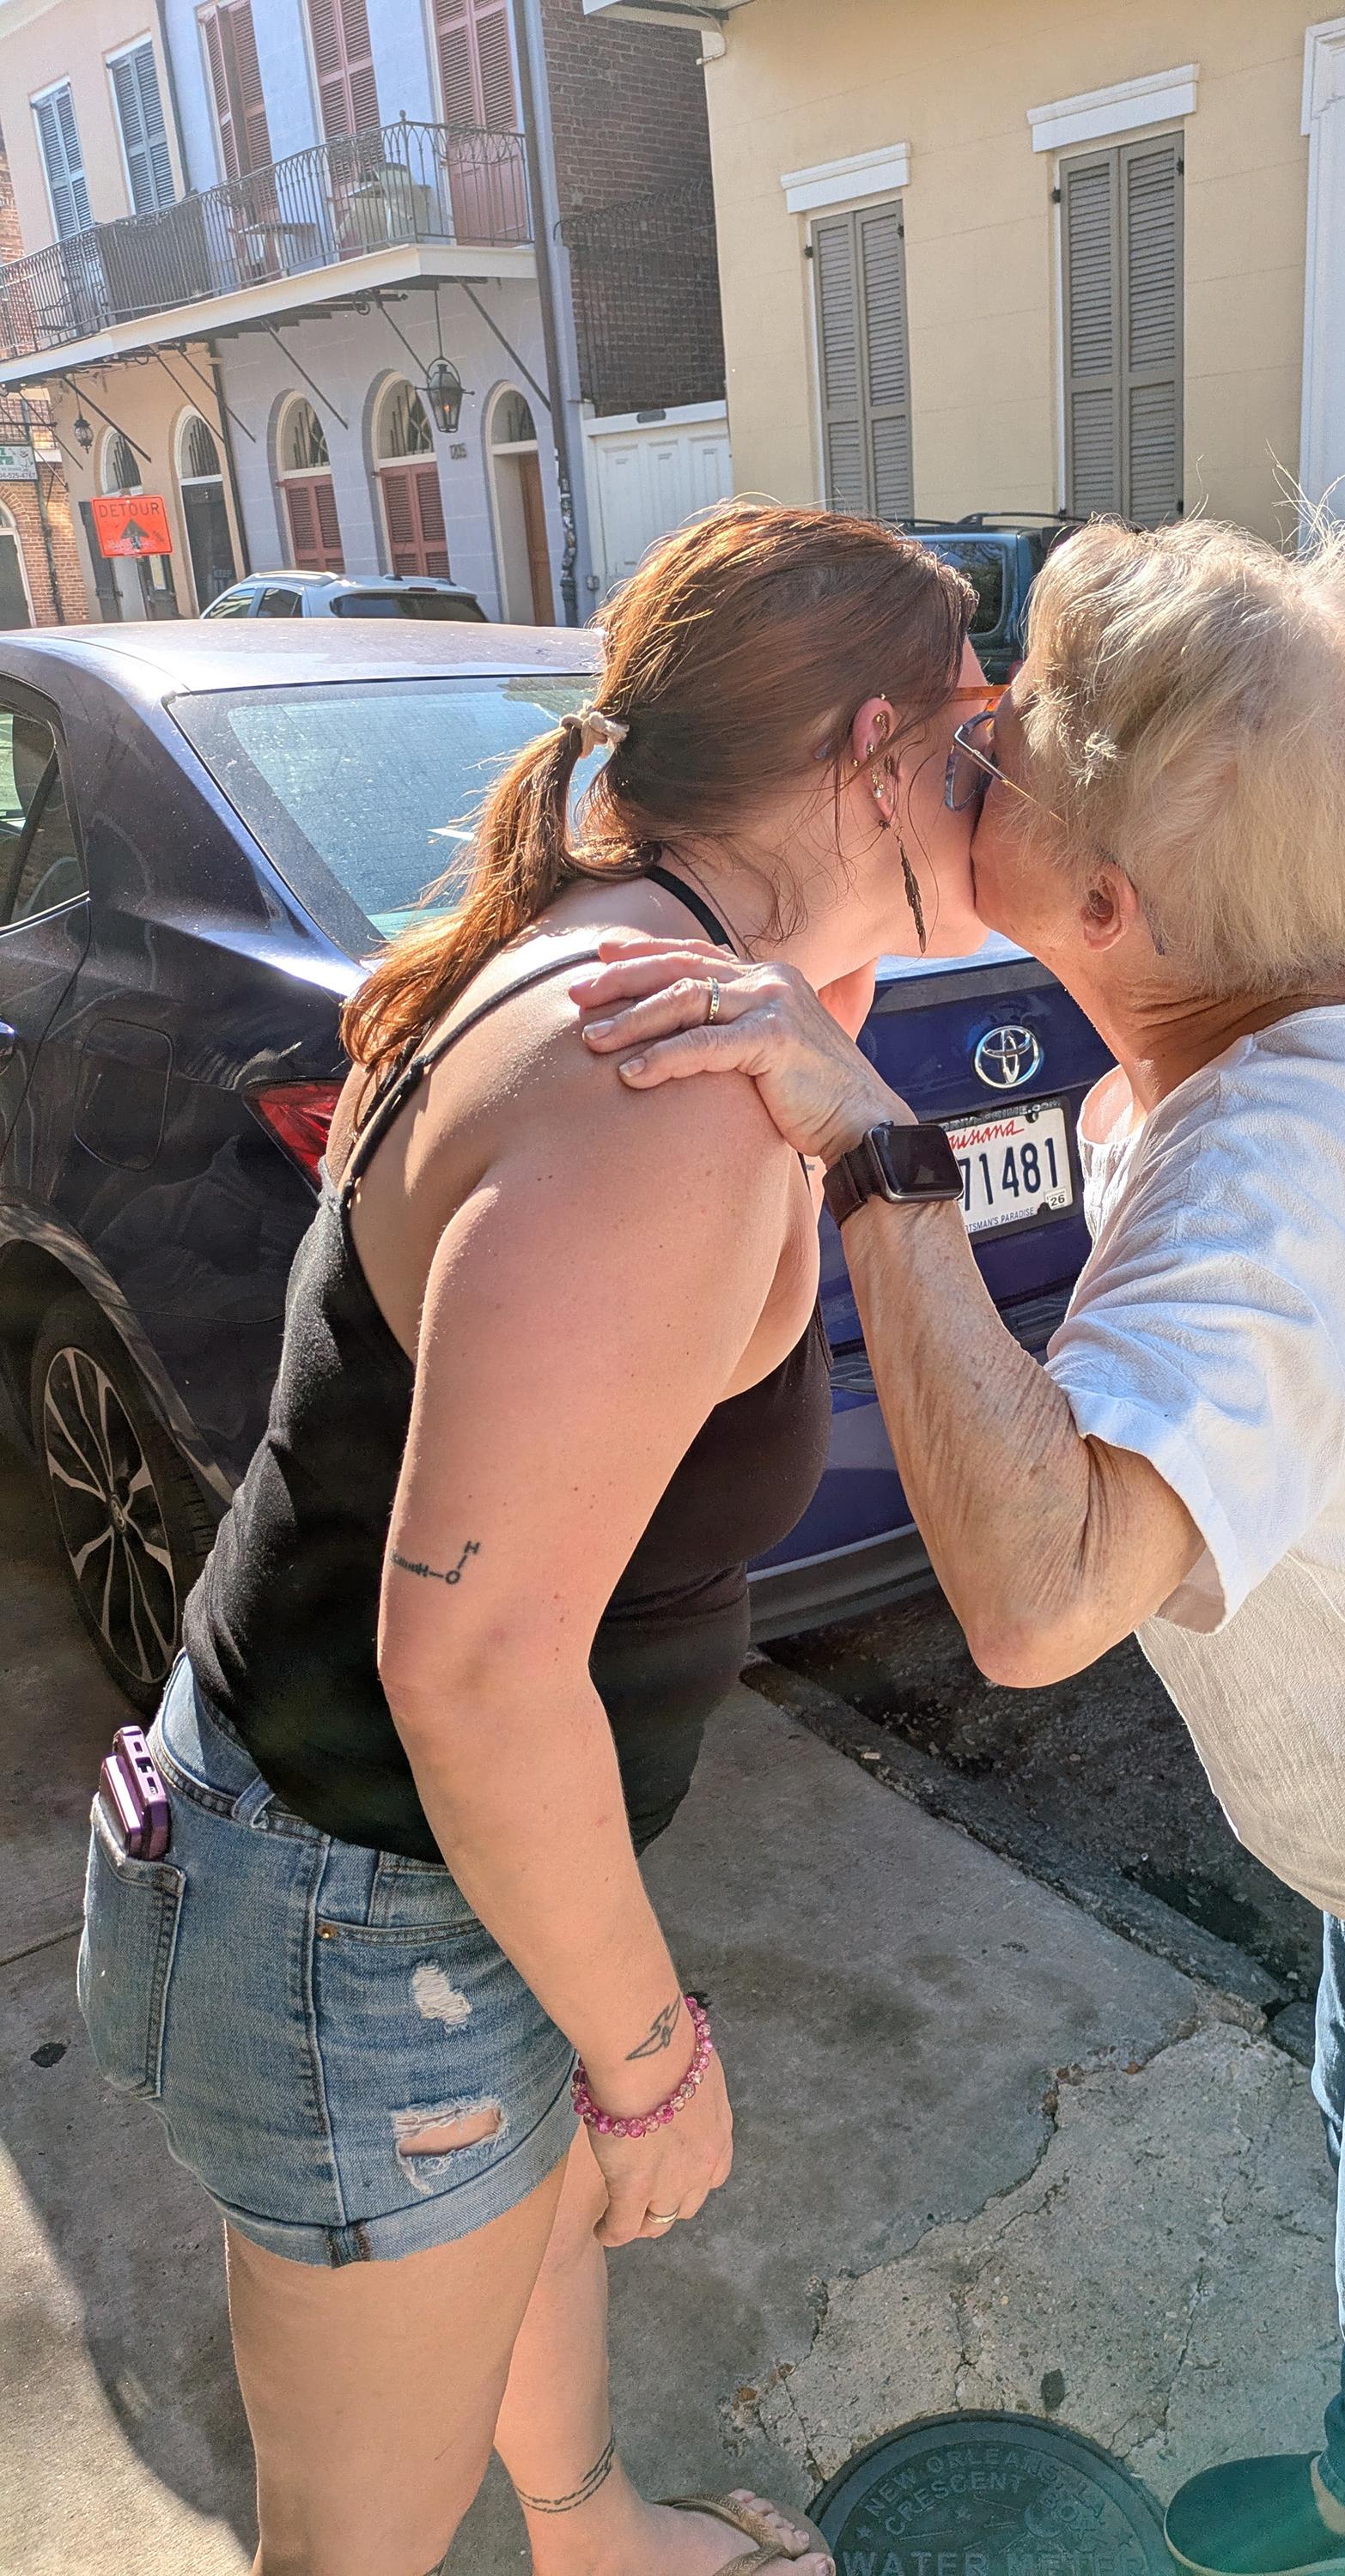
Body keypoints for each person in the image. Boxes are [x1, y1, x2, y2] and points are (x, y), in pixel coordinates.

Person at [570, 515, 1345, 2576]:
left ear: (1105, 904)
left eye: (1007, 729)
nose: (964, 729)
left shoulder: (1269, 1182)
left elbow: (1037, 1601)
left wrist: (875, 1150)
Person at [77, 503, 988, 2576]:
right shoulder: (651, 1083)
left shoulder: (656, 955)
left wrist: (843, 997)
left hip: (397, 1881)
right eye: (971, 729)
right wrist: (651, 2060)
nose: (992, 775)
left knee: (524, 2219)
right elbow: (473, 1672)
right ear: (872, 748)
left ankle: (598, 2539)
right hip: (356, 1915)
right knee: (357, 2542)